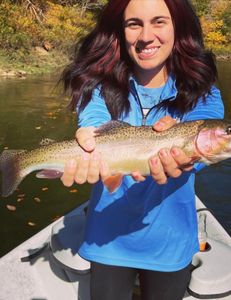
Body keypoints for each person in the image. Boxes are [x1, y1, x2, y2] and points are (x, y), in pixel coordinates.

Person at [60, 0, 224, 299]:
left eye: (159, 21)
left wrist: (188, 161)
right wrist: (89, 137)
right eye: (134, 24)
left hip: (170, 242)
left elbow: (201, 155)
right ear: (120, 32)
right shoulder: (98, 86)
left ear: (178, 27)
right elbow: (93, 122)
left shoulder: (204, 91)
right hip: (107, 241)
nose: (146, 35)